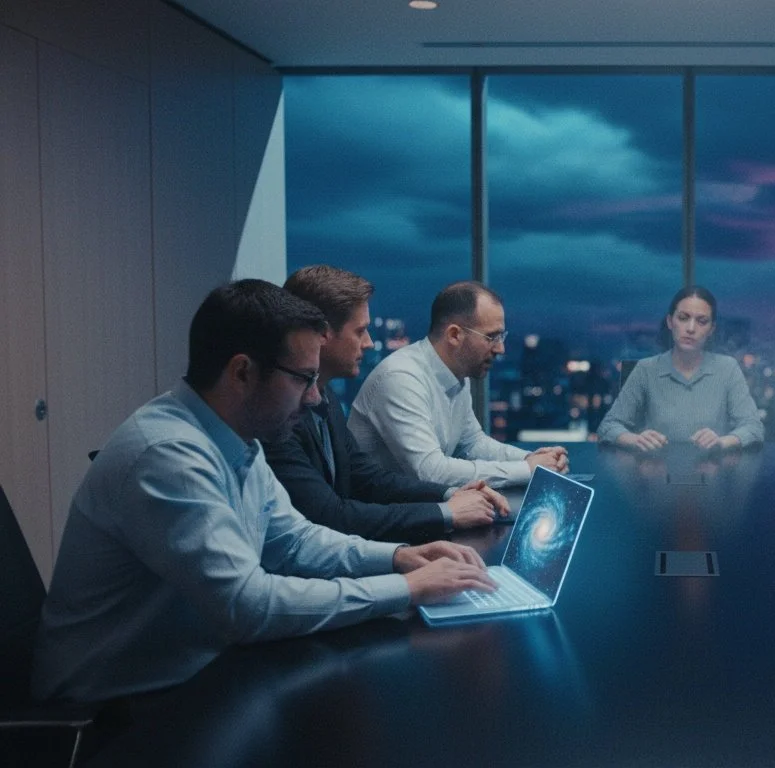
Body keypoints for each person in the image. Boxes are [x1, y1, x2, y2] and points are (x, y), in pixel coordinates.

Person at [32, 280, 496, 703]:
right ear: (242, 373)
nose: (314, 397)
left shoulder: (239, 438)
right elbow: (248, 606)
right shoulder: (168, 456)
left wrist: (399, 557)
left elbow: (295, 541)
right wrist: (406, 588)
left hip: (199, 670)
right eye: (303, 379)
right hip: (116, 709)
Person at [262, 266, 510, 543]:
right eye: (360, 331)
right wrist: (445, 512)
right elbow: (331, 516)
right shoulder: (278, 415)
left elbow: (366, 477)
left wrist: (450, 494)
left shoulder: (326, 396)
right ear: (322, 335)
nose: (369, 343)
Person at [348, 281, 568, 488]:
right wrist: (527, 469)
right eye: (491, 337)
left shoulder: (457, 375)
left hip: (415, 505)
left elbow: (472, 444)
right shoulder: (401, 378)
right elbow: (430, 472)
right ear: (454, 335)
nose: (500, 349)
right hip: (380, 511)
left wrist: (531, 459)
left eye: (501, 337)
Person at [596, 286, 763, 451]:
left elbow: (754, 428)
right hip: (655, 466)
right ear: (670, 322)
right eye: (683, 318)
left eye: (702, 321)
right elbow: (608, 427)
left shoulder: (727, 368)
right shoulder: (646, 369)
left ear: (711, 329)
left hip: (711, 466)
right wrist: (636, 440)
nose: (691, 328)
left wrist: (721, 442)